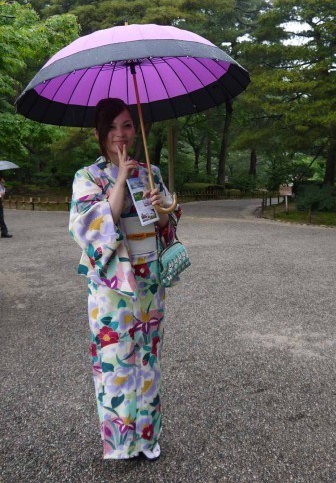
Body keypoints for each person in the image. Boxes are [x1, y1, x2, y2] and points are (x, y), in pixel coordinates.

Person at [69, 98, 181, 461]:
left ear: (137, 130)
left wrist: (160, 206)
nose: (121, 134)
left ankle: (148, 437)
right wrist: (119, 177)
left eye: (128, 125)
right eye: (113, 127)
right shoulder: (88, 177)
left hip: (149, 278)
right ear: (100, 133)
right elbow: (95, 226)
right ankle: (121, 443)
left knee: (147, 356)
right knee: (116, 357)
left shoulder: (151, 171)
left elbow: (166, 226)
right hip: (111, 283)